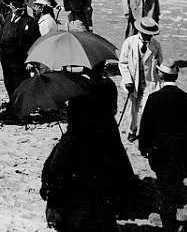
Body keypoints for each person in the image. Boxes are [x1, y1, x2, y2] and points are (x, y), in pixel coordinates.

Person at [40, 73, 136, 232]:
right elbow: (113, 110)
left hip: (77, 207)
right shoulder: (109, 86)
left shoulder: (76, 91)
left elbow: (53, 173)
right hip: (105, 135)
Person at [139, 60, 187, 232]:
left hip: (160, 157)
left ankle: (169, 224)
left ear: (161, 75)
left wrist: (144, 149)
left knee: (165, 191)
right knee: (180, 188)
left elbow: (145, 127)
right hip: (183, 156)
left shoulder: (154, 99)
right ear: (176, 76)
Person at [119, 17, 163, 142]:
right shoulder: (129, 42)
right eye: (146, 34)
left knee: (146, 109)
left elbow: (160, 63)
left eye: (151, 35)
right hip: (133, 82)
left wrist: (163, 79)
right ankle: (132, 130)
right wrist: (127, 80)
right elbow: (122, 63)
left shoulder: (156, 45)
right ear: (141, 31)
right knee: (133, 108)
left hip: (150, 82)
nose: (148, 37)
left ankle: (144, 133)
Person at [0, 0, 40, 106]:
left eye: (20, 5)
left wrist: (31, 60)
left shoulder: (30, 22)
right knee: (9, 83)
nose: (18, 8)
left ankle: (20, 111)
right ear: (11, 6)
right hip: (6, 60)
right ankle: (13, 106)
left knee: (20, 85)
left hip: (21, 62)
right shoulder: (7, 18)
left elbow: (36, 43)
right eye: (15, 5)